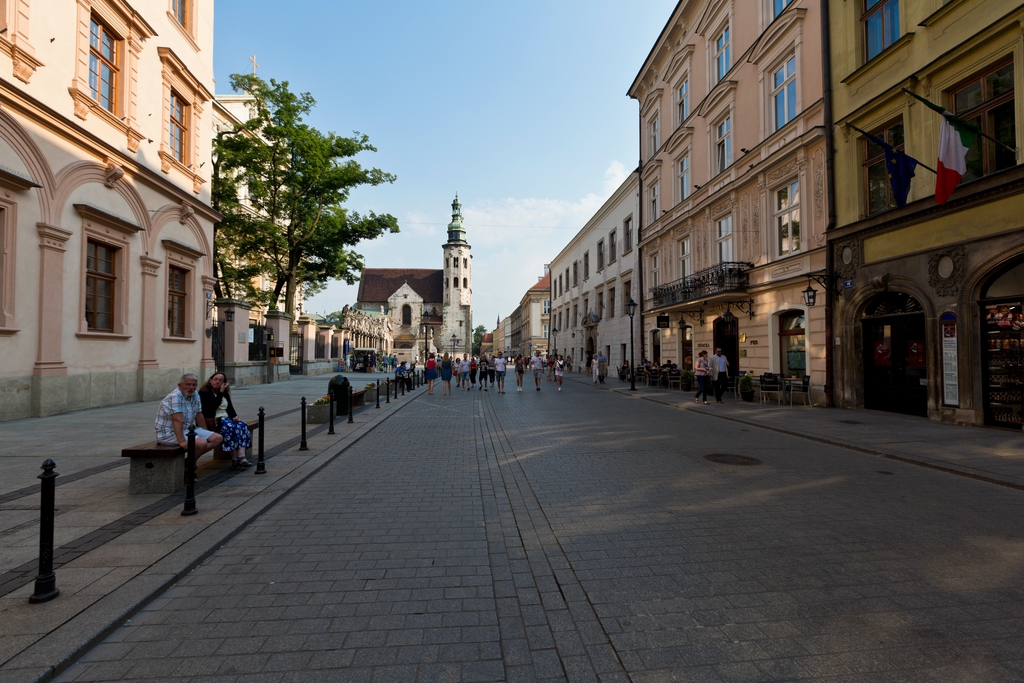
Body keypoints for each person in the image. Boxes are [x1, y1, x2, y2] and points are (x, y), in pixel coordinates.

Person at [154, 374, 223, 478]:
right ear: (180, 385)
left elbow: (199, 414)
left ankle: (188, 463)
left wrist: (205, 432)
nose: (191, 387)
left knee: (217, 438)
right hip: (169, 433)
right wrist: (181, 441)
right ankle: (189, 468)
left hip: (187, 429)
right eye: (188, 384)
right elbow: (176, 419)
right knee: (201, 443)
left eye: (194, 385)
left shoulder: (195, 394)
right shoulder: (174, 397)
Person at [197, 372, 252, 468]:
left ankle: (241, 456)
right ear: (210, 380)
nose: (217, 381)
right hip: (214, 419)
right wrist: (221, 392)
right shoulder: (203, 393)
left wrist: (235, 417)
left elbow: (230, 408)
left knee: (242, 425)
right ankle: (234, 457)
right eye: (215, 379)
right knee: (230, 427)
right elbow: (212, 406)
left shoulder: (225, 394)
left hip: (226, 418)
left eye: (221, 380)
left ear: (224, 383)